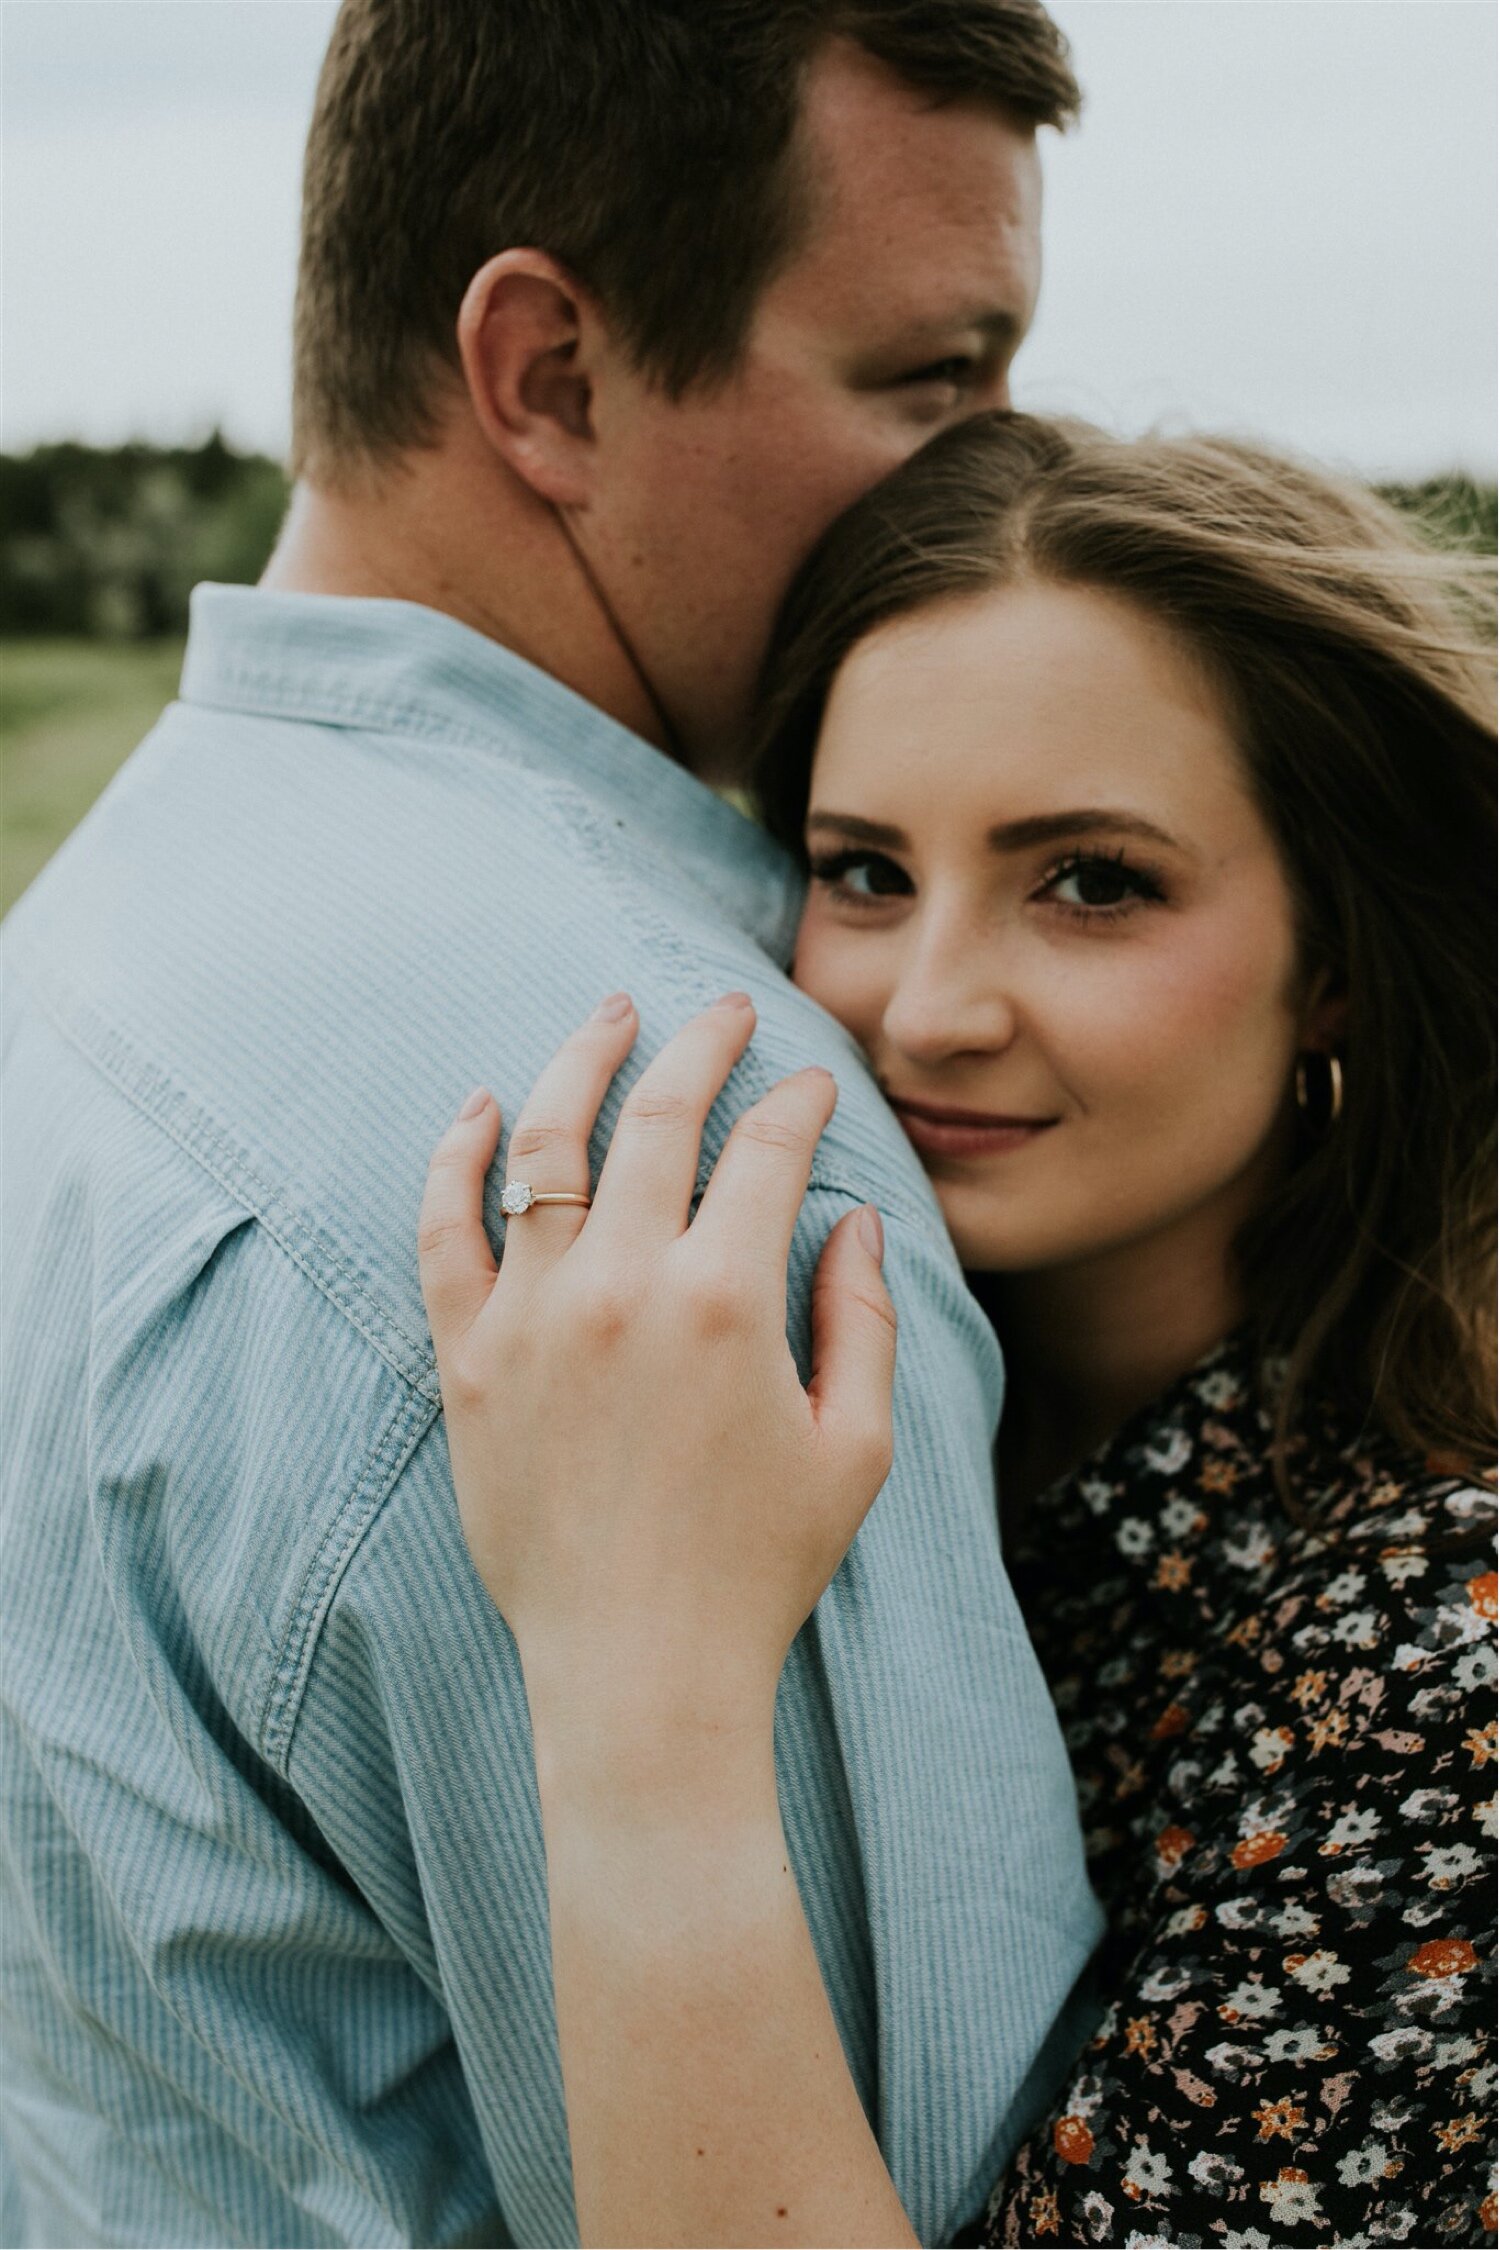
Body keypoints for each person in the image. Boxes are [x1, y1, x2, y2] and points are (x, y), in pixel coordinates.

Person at [0, 8, 1099, 2246]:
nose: (1006, 474)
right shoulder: (710, 1174)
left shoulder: (84, 945)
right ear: (553, 380)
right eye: (929, 379)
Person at [418, 414, 1498, 2247]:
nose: (924, 1009)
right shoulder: (877, 1408)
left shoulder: (1435, 1648)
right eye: (862, 870)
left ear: (1332, 959)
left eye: (1092, 880)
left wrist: (638, 1678)